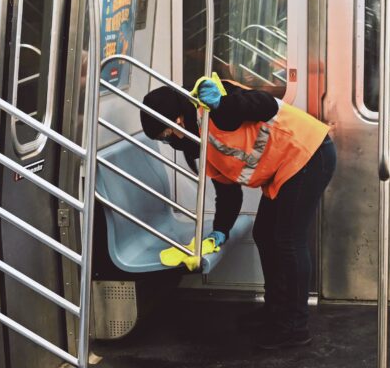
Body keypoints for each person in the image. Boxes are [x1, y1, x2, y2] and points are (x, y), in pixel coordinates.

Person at [139, 76, 335, 349]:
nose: (169, 141)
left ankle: (295, 326)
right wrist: (221, 229)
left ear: (178, 121)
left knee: (288, 240)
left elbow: (265, 104)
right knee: (264, 234)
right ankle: (276, 311)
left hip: (308, 154)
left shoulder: (215, 108)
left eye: (165, 134)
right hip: (285, 167)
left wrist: (222, 105)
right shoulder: (201, 143)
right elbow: (228, 192)